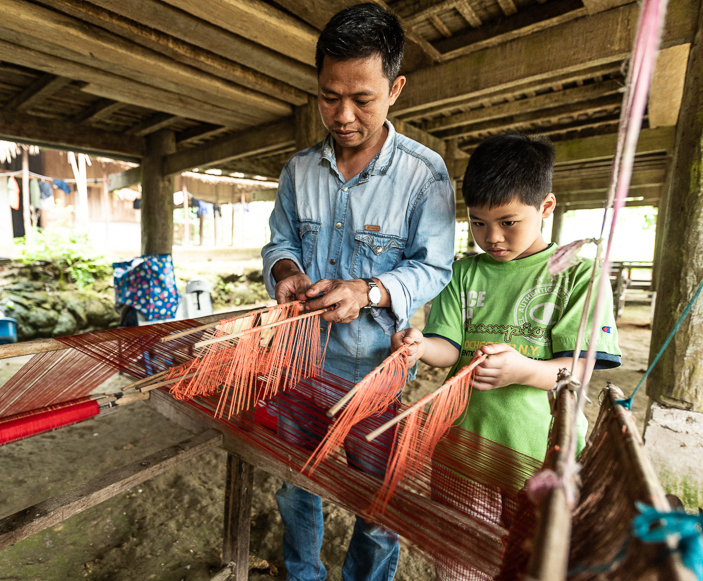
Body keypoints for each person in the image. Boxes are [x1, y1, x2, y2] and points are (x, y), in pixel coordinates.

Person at [261, 3, 456, 579]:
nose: (342, 115)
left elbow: (435, 268)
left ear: (395, 89)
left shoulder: (426, 175)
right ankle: (304, 573)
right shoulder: (299, 171)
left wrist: (368, 292)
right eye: (328, 96)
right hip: (299, 361)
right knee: (297, 483)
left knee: (377, 499)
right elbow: (279, 242)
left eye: (362, 99)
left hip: (374, 372)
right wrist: (287, 273)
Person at [391, 133, 622, 579]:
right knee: (461, 564)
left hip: (542, 457)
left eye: (508, 222)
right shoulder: (462, 273)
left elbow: (580, 369)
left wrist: (523, 369)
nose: (491, 238)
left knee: (533, 563)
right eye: (478, 223)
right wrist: (420, 344)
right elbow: (447, 349)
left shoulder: (578, 274)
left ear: (547, 207)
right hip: (462, 451)